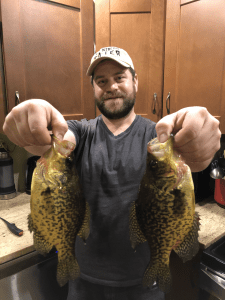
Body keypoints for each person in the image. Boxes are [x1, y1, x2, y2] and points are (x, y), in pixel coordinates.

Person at [3, 47, 221, 300]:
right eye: (101, 81)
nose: (111, 86)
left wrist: (198, 142)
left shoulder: (157, 139)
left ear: (135, 81)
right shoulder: (80, 132)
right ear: (93, 88)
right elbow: (52, 142)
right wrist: (34, 113)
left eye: (119, 77)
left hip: (144, 283)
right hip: (83, 280)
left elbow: (192, 160)